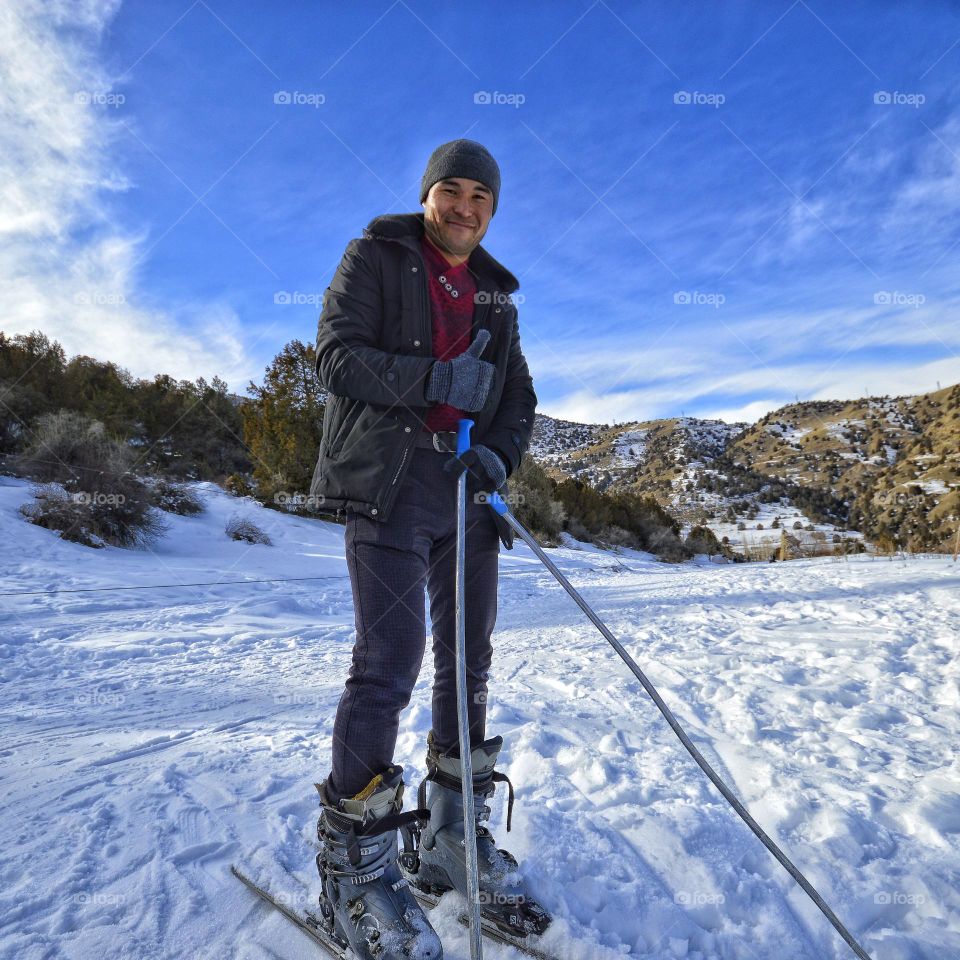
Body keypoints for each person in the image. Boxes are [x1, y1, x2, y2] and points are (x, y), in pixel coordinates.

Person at [308, 139, 545, 959]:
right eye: (452, 190)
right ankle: (352, 872)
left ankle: (447, 843)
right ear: (427, 195)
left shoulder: (497, 300)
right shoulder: (377, 255)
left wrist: (497, 456)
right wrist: (433, 383)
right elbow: (335, 357)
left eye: (482, 196)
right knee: (391, 659)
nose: (465, 207)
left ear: (493, 210)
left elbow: (520, 399)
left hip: (466, 495)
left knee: (467, 660)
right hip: (389, 483)